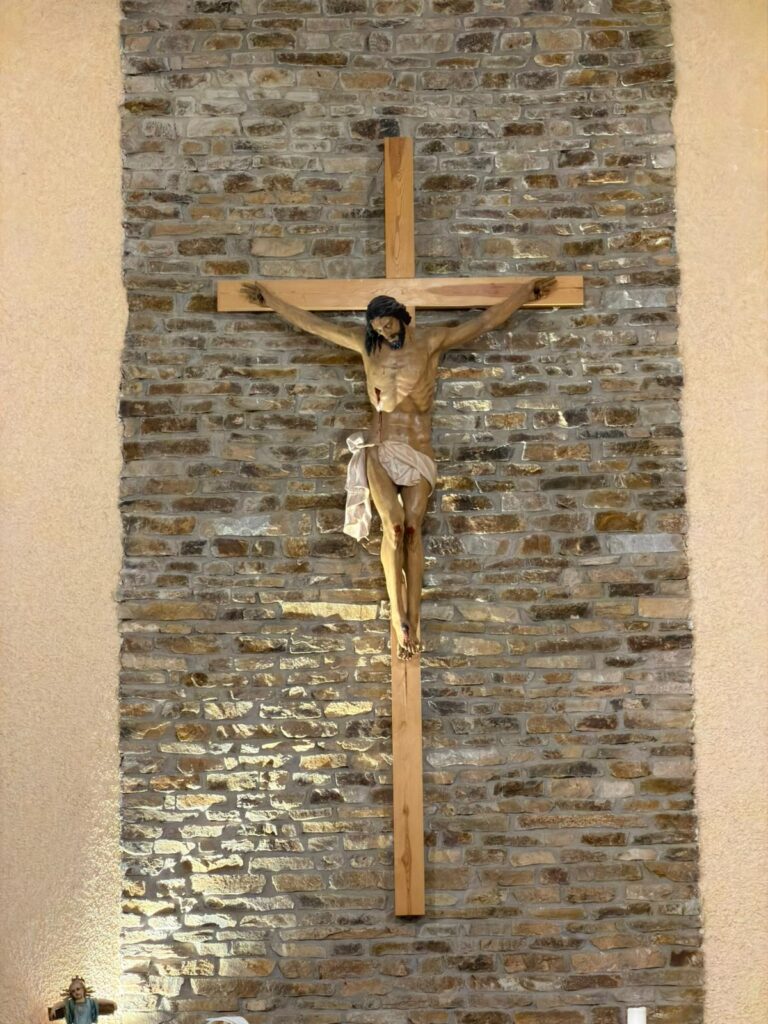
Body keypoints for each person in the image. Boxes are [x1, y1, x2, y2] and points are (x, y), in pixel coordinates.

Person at [243, 277, 555, 659]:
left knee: (411, 528)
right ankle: (399, 618)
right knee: (391, 526)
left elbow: (485, 322)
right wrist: (271, 300)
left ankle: (416, 615)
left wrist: (525, 295)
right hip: (380, 447)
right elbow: (314, 325)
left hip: (418, 450)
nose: (384, 332)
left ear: (400, 317)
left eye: (388, 324)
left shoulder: (430, 342)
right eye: (377, 327)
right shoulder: (366, 347)